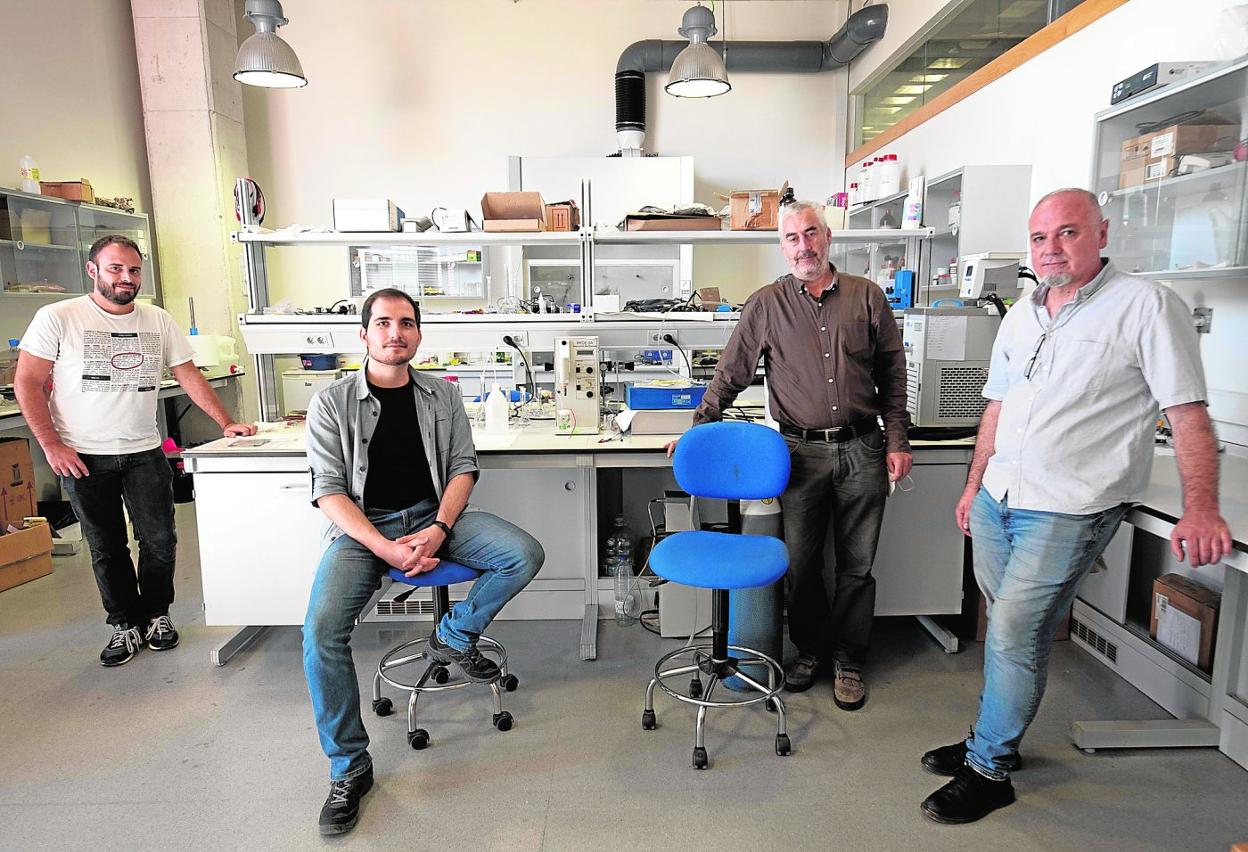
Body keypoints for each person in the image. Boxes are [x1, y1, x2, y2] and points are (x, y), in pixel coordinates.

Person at [919, 188, 1233, 824]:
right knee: (1012, 631)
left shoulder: (1146, 306)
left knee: (1013, 632)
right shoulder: (1020, 315)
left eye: (1067, 233)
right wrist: (973, 483)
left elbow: (1189, 415)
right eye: (1040, 239)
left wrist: (1202, 507)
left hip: (1070, 506)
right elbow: (998, 409)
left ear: (1102, 233)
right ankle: (990, 736)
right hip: (1000, 495)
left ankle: (989, 767)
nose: (1051, 249)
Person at [302, 287, 544, 836]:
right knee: (320, 633)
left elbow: (463, 469)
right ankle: (349, 767)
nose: (396, 333)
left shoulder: (440, 395)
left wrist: (437, 530)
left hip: (434, 518)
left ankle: (455, 635)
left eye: (407, 323)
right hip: (365, 529)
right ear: (363, 335)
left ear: (418, 334)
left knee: (523, 554)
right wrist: (387, 549)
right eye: (384, 323)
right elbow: (329, 493)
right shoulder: (331, 402)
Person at [668, 200, 913, 708]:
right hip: (798, 452)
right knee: (800, 564)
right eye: (792, 239)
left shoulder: (867, 298)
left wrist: (897, 439)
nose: (803, 246)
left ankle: (848, 657)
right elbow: (730, 374)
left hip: (864, 447)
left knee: (857, 564)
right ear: (782, 248)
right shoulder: (765, 305)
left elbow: (892, 374)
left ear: (828, 237)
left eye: (810, 234)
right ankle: (810, 651)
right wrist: (698, 433)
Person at [14, 235, 256, 667]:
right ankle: (125, 624)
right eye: (115, 269)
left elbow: (188, 375)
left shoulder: (157, 320)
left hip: (144, 450)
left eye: (134, 270)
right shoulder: (58, 317)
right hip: (83, 454)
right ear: (93, 270)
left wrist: (226, 422)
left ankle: (157, 615)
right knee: (106, 545)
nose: (126, 278)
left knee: (160, 541)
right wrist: (51, 444)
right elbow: (27, 382)